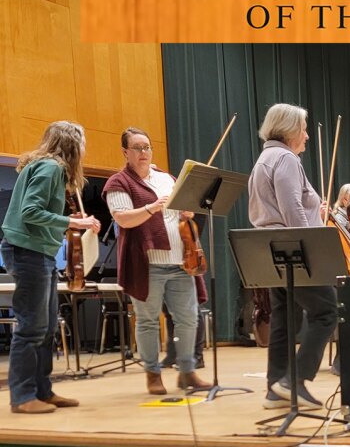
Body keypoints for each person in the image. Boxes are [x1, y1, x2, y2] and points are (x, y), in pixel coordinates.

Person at [1, 121, 100, 414]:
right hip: (28, 252)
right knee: (32, 328)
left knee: (44, 329)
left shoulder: (47, 167)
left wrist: (68, 218)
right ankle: (22, 396)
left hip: (36, 252)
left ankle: (43, 391)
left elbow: (37, 213)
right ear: (73, 144)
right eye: (82, 143)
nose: (84, 150)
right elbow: (30, 212)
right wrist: (73, 221)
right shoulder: (51, 168)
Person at [104, 128, 209, 395]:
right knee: (148, 320)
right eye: (137, 148)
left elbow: (184, 215)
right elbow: (123, 218)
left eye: (147, 147)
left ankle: (187, 371)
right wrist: (153, 207)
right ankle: (152, 373)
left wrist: (187, 211)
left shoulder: (167, 178)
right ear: (125, 152)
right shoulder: (118, 182)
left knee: (189, 318)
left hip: (181, 261)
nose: (143, 152)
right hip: (146, 264)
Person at [248, 103, 338, 409]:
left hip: (271, 251)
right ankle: (294, 380)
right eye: (303, 128)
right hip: (294, 249)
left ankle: (276, 389)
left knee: (284, 319)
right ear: (289, 131)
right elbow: (292, 211)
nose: (307, 136)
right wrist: (311, 248)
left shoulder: (264, 158)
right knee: (327, 311)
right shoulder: (285, 159)